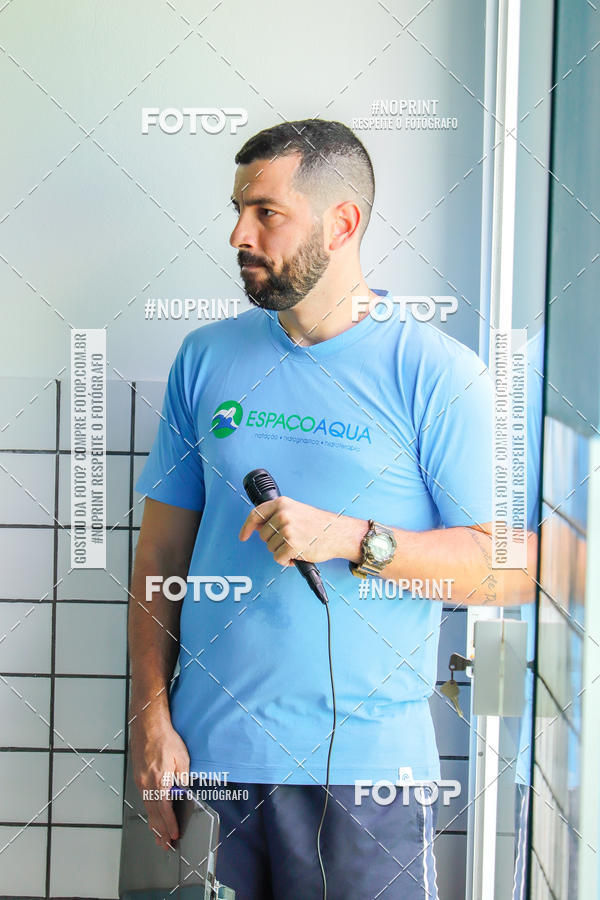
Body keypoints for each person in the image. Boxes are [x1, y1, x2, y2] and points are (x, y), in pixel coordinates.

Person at [128, 118, 536, 899]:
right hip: (206, 764)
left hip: (365, 780)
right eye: (238, 210)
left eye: (266, 213)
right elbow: (160, 557)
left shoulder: (437, 375)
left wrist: (353, 538)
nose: (239, 234)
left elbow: (506, 570)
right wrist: (150, 717)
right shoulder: (205, 358)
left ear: (341, 223)